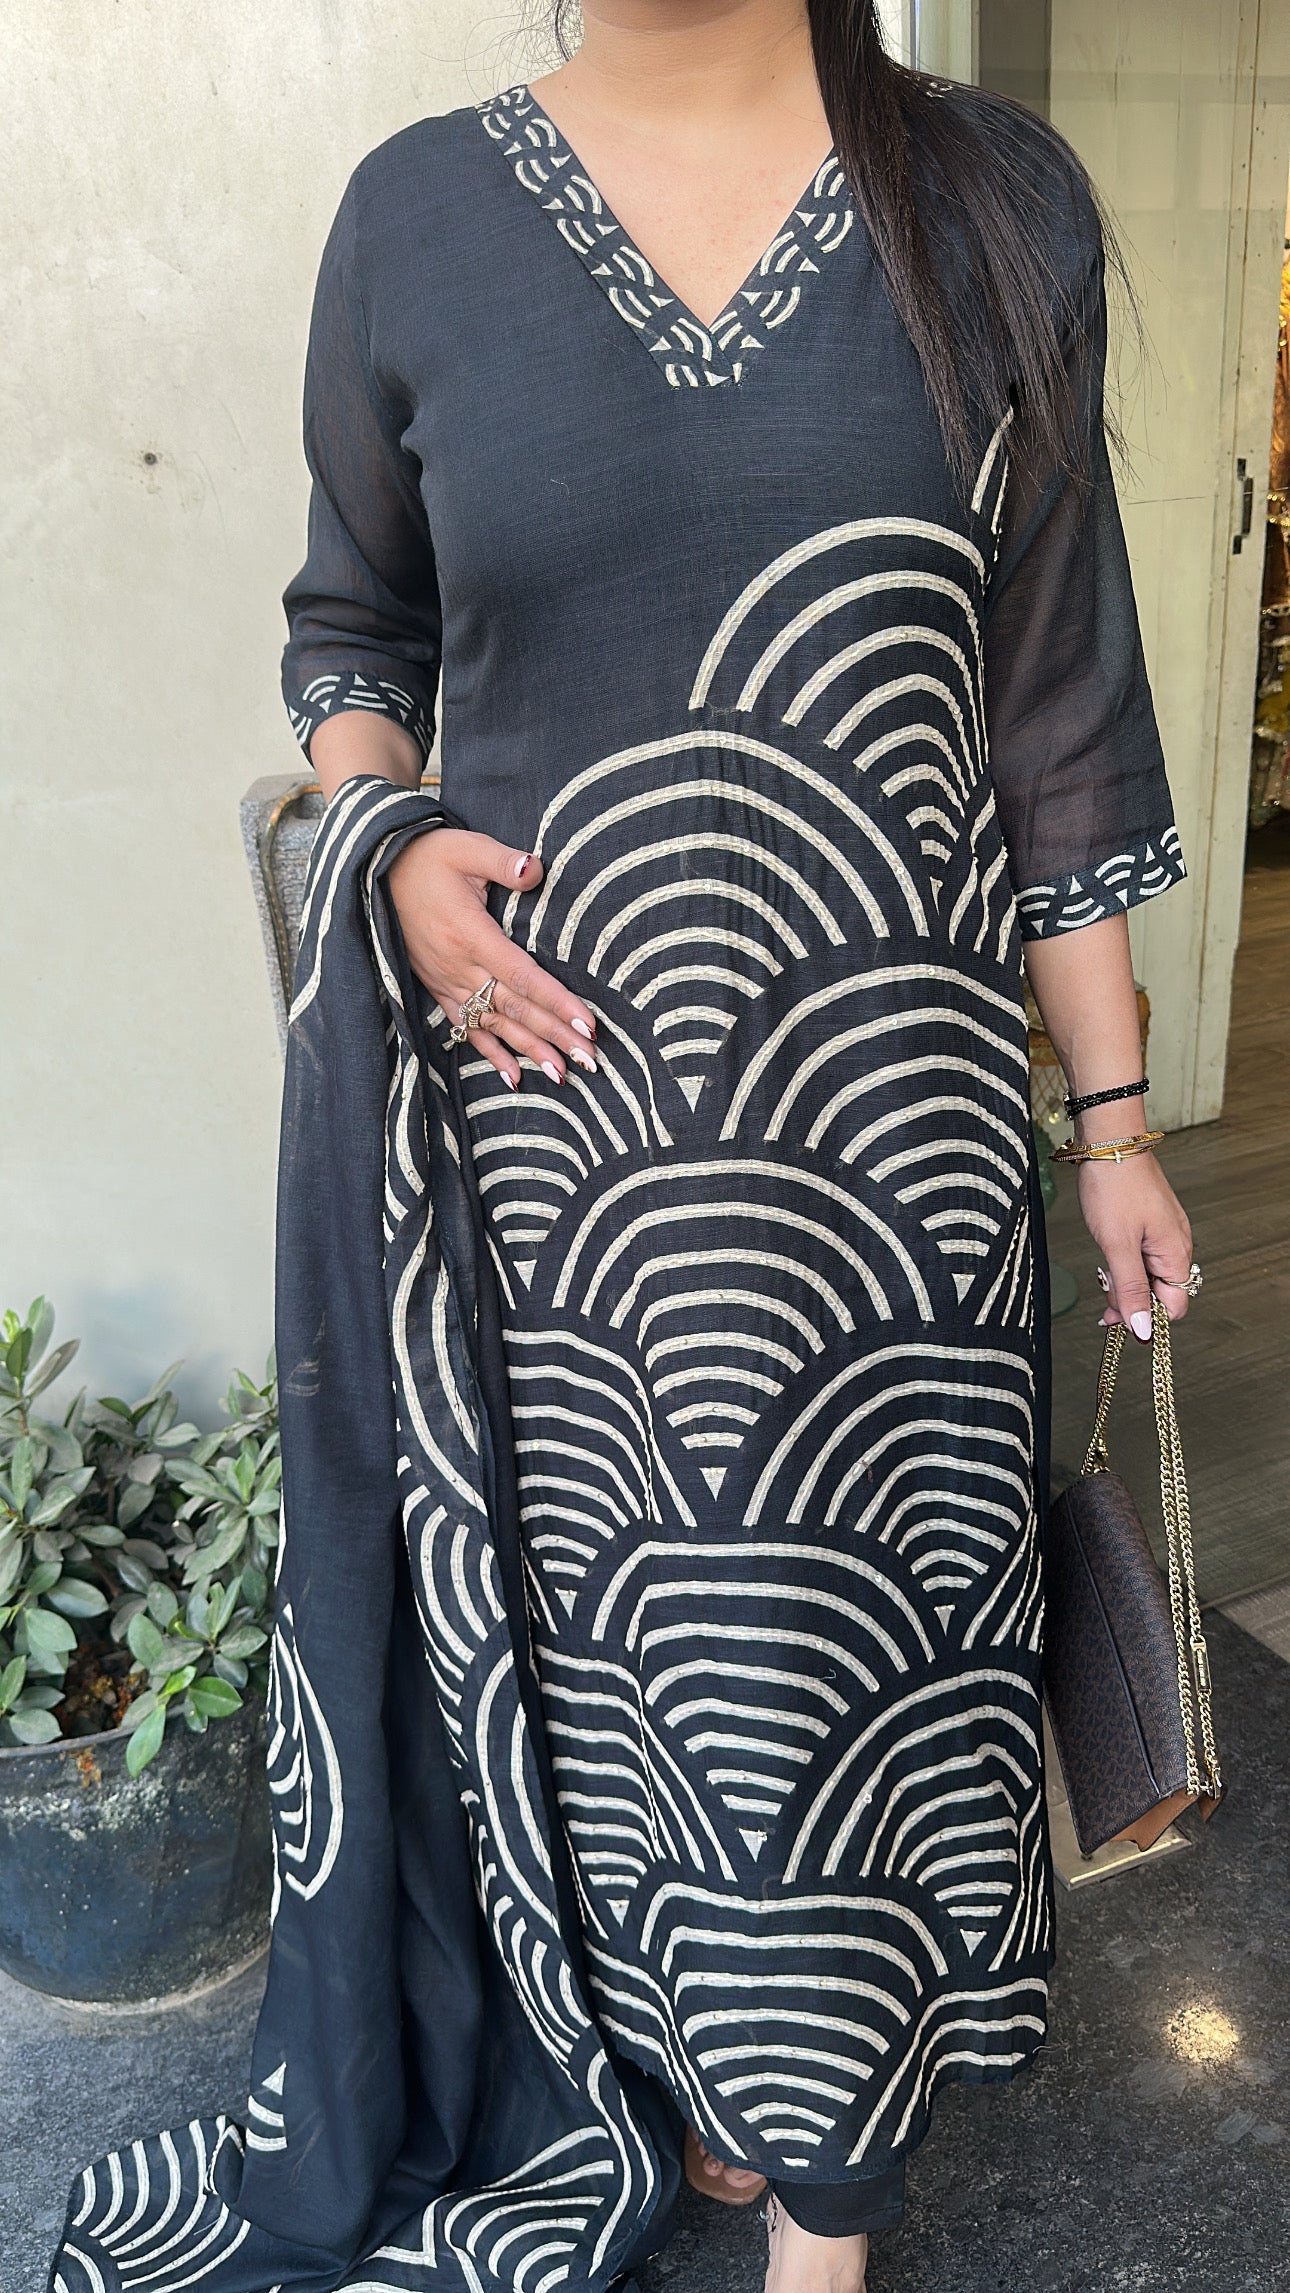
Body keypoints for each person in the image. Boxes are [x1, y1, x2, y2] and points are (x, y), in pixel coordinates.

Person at [51, 4, 1197, 2290]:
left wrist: (1116, 1124)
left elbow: (1061, 716)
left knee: (866, 1656)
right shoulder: (416, 220)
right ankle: (696, 2074)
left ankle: (830, 2188)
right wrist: (389, 846)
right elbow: (349, 640)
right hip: (568, 1147)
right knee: (635, 1665)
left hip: (898, 1163)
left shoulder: (995, 203)